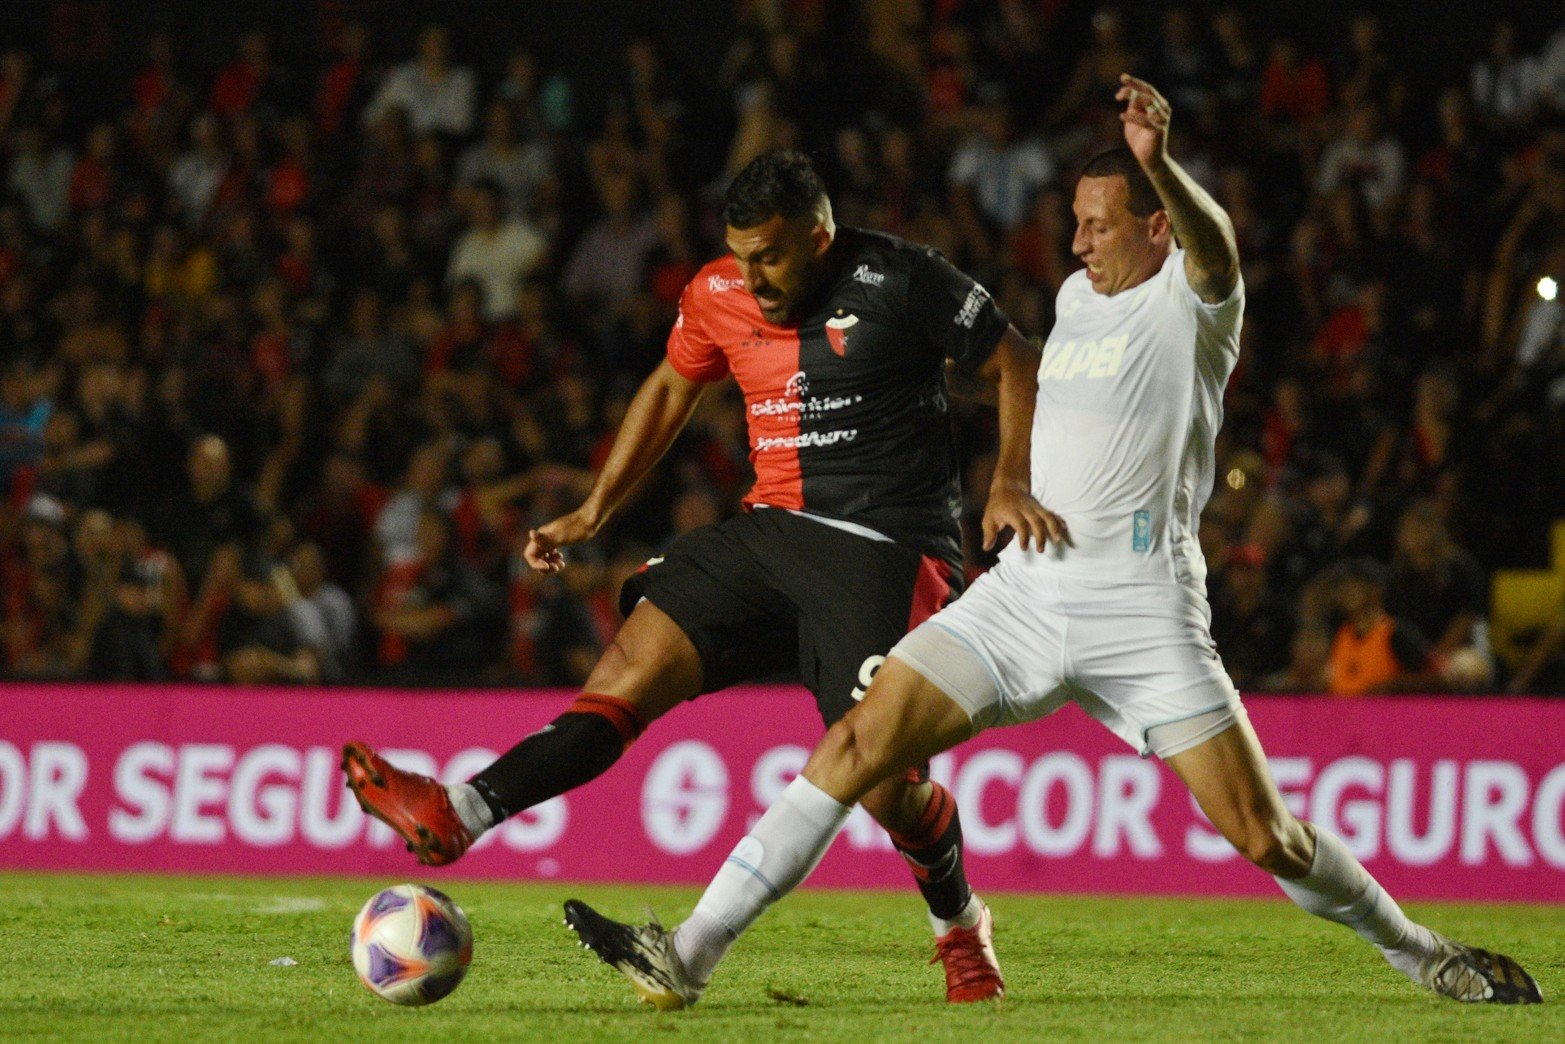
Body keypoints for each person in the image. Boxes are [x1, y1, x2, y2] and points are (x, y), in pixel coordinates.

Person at [563, 77, 1543, 1010]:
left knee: (1266, 835)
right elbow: (1033, 393)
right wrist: (1010, 480)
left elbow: (1215, 248)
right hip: (1024, 596)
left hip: (1142, 609)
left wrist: (1162, 164)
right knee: (855, 743)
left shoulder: (1195, 306)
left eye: (1099, 221)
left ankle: (1422, 955)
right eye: (1073, 218)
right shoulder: (1075, 302)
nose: (1074, 239)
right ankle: (685, 954)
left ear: (1154, 221)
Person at [343, 148, 1060, 1002]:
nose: (752, 276)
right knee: (625, 670)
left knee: (886, 792)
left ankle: (959, 927)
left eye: (771, 256)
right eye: (741, 254)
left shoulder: (900, 276)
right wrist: (594, 510)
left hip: (886, 544)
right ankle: (458, 810)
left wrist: (1009, 482)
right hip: (768, 532)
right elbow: (669, 389)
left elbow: (1015, 359)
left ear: (819, 236)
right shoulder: (715, 293)